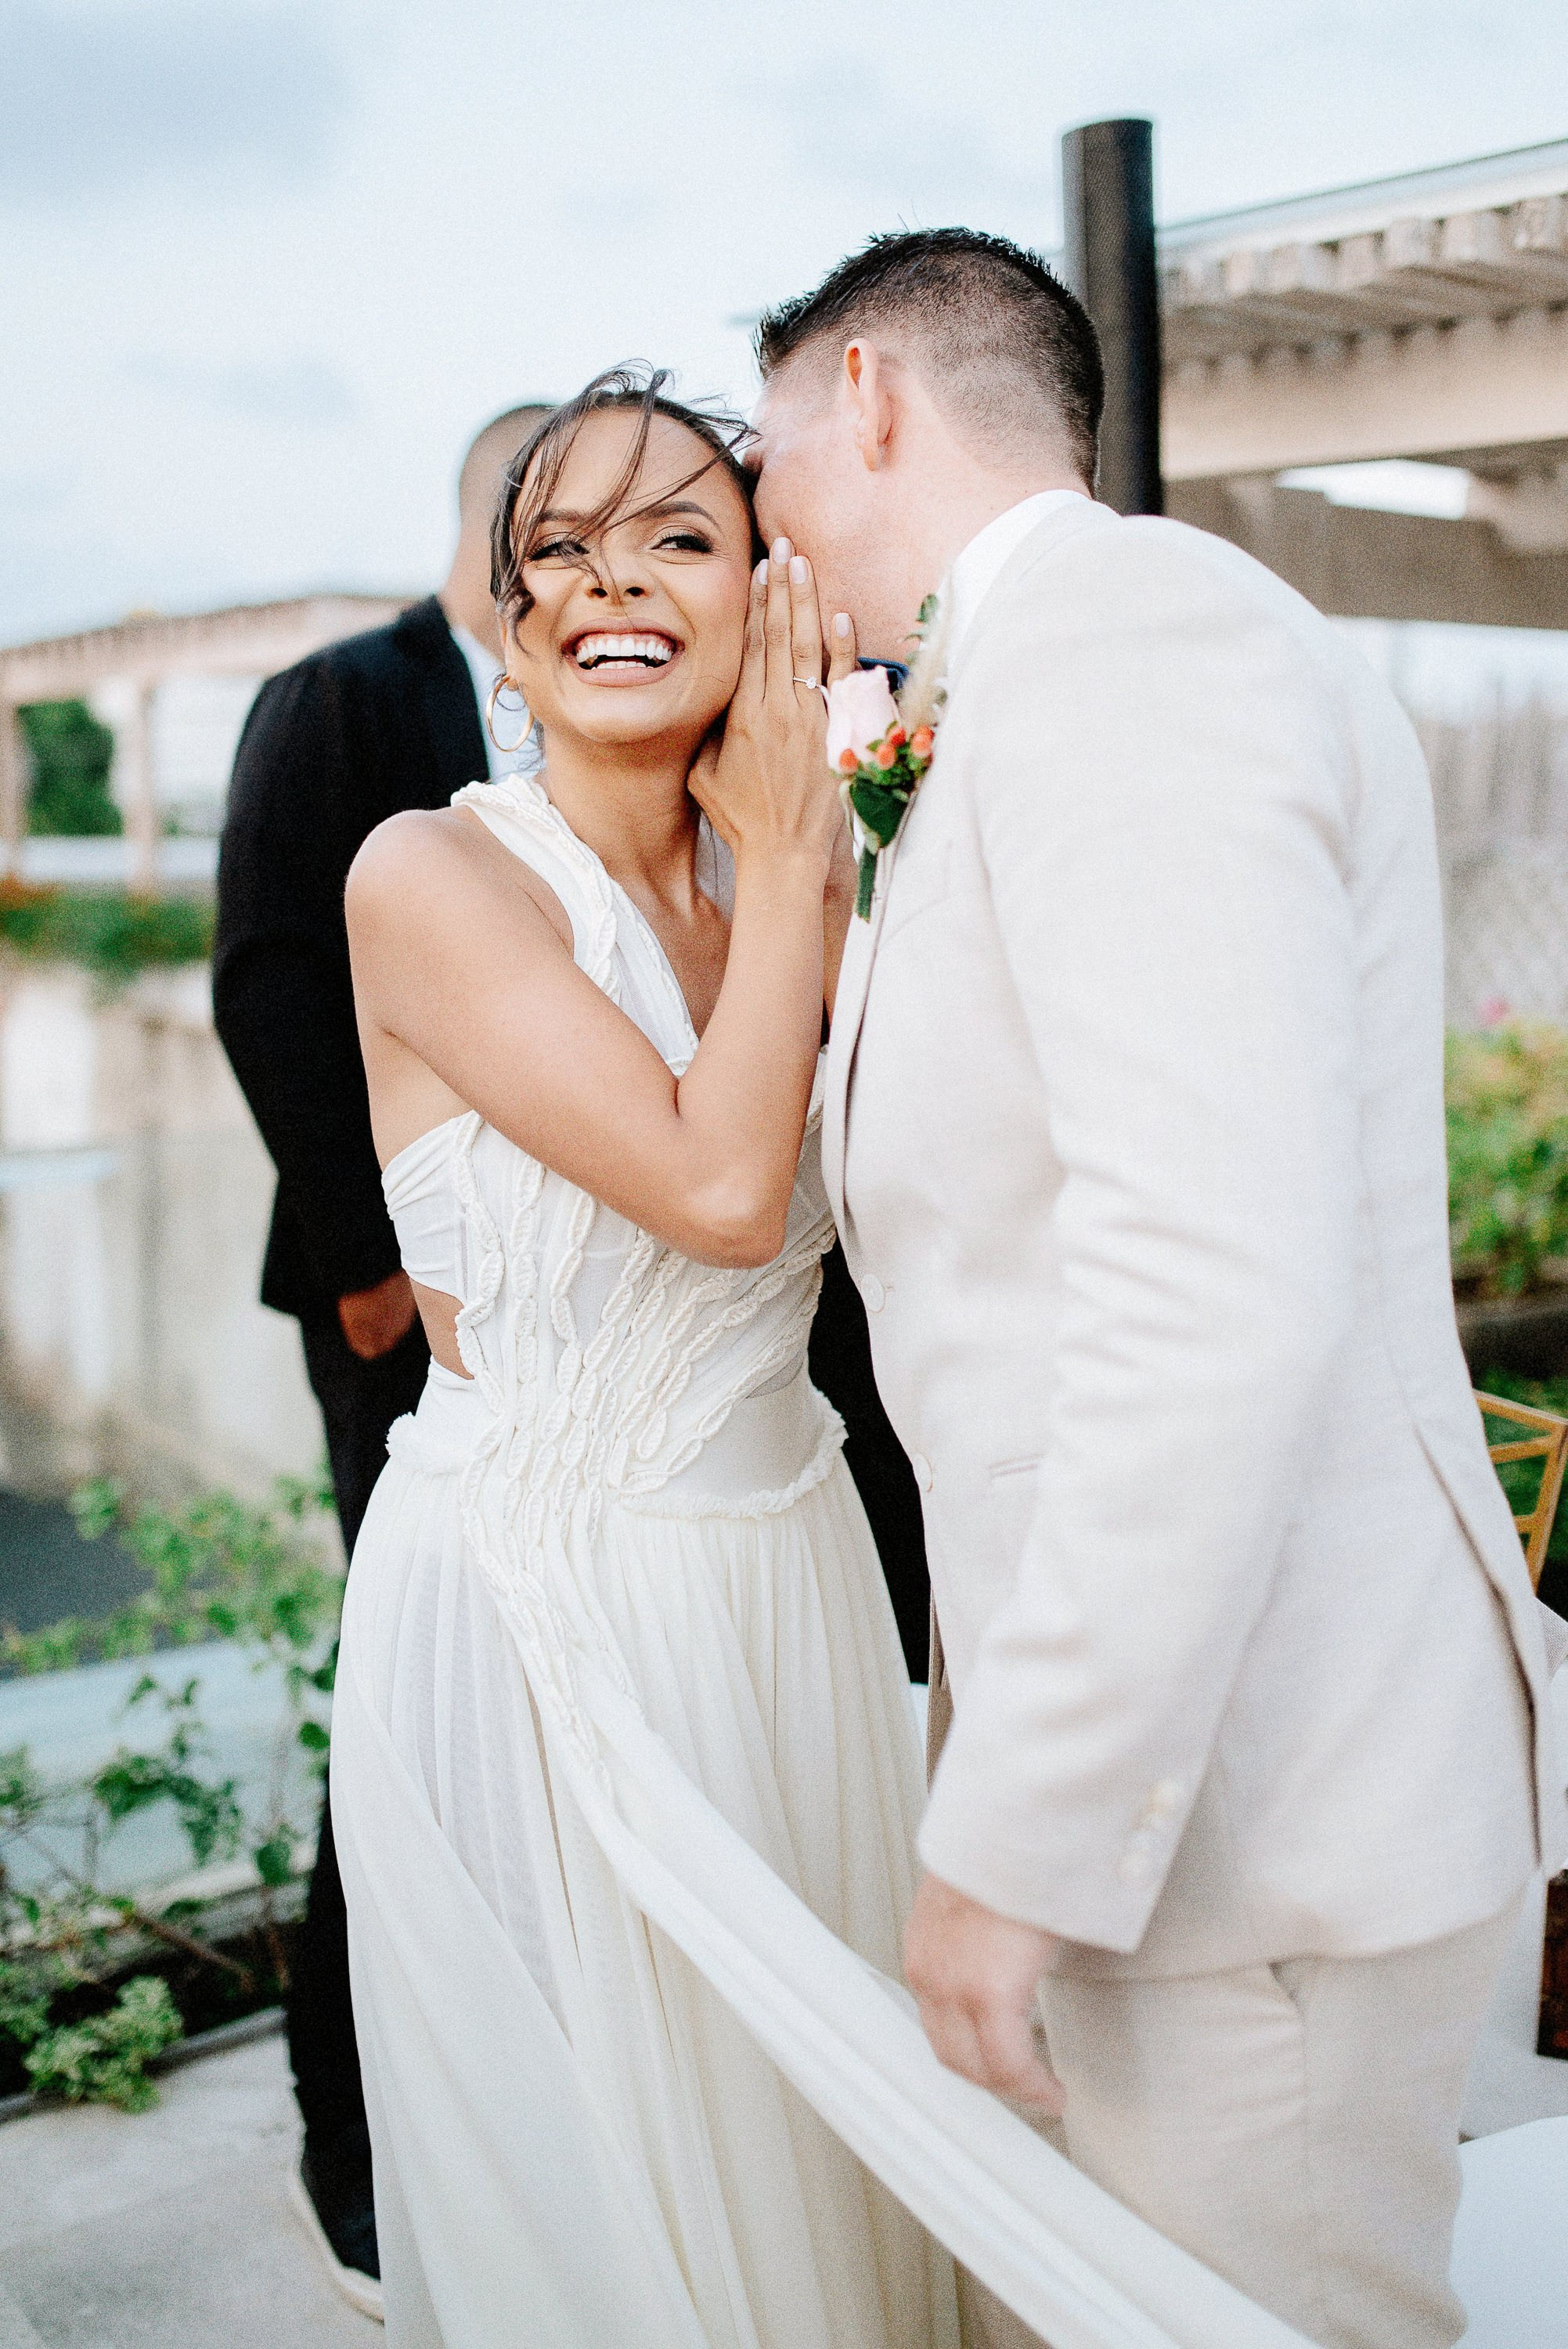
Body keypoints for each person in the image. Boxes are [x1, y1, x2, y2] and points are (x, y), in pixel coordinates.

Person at [746, 227, 1564, 2349]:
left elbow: (1206, 1278)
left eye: (765, 474)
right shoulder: (1035, 675)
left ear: (866, 396)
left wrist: (1011, 1835)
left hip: (1249, 1818)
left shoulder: (1124, 632)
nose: (769, 536)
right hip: (1179, 1813)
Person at [332, 370, 957, 2347]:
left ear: (769, 585)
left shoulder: (828, 870)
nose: (616, 583)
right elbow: (715, 1187)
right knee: (611, 2232)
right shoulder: (429, 877)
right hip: (543, 1619)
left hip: (792, 1587)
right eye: (561, 551)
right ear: (507, 621)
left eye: (680, 535)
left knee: (830, 2185)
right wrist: (794, 861)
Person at [213, 401, 558, 2311]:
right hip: (396, 1307)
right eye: (571, 523)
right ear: (503, 519)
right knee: (410, 1688)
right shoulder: (339, 697)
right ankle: (340, 2119)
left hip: (584, 1297)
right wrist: (372, 1265)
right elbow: (267, 981)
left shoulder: (600, 714)